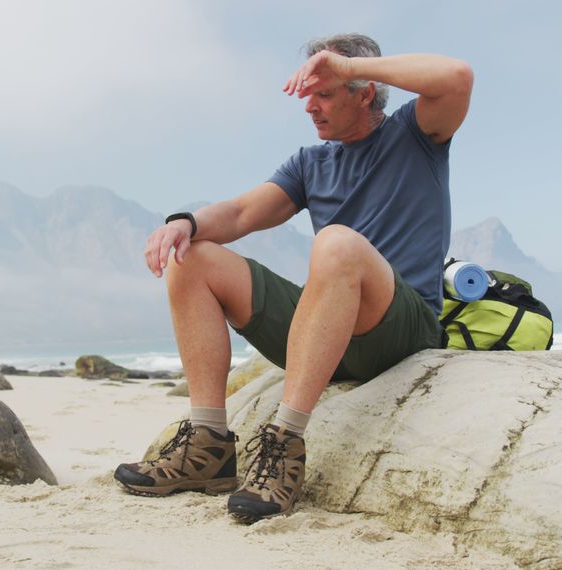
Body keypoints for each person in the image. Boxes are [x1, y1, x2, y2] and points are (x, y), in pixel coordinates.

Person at [115, 33, 473, 523]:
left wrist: (346, 66)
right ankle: (208, 445)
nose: (310, 107)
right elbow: (241, 213)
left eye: (323, 93)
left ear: (363, 91)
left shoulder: (415, 135)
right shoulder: (310, 163)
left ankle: (283, 446)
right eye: (308, 94)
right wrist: (184, 222)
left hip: (400, 328)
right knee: (190, 255)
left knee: (336, 242)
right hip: (325, 333)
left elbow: (457, 78)